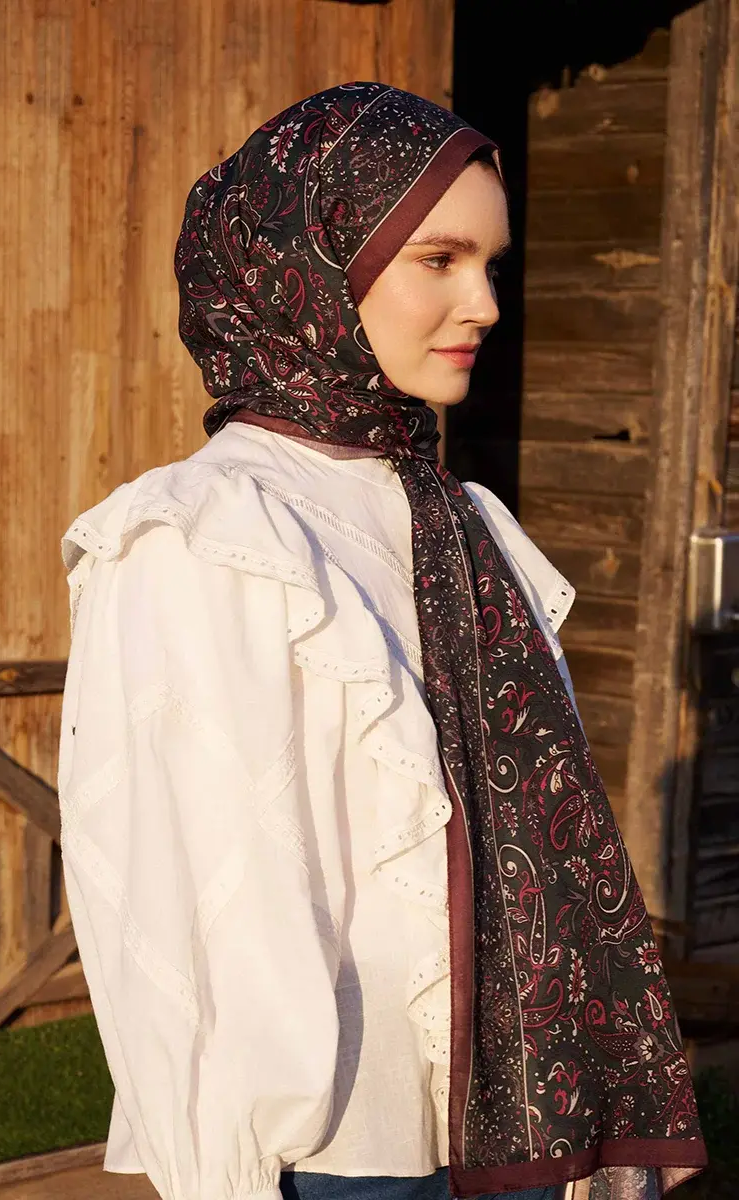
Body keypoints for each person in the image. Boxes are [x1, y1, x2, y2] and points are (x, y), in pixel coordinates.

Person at [58, 83, 706, 1200]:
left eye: (491, 265)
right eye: (439, 260)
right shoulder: (205, 536)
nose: (484, 304)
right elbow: (177, 894)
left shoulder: (464, 523)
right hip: (341, 1153)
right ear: (311, 269)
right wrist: (225, 1170)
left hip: (527, 1131)